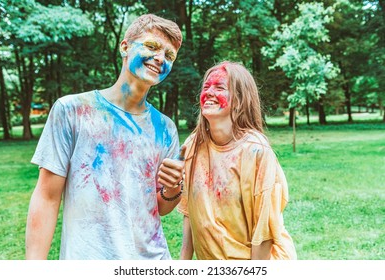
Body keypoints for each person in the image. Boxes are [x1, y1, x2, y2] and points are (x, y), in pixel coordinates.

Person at [26, 14, 184, 260]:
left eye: (169, 55)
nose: (160, 58)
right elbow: (47, 196)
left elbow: (161, 207)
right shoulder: (72, 110)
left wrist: (173, 188)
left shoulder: (166, 128)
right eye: (152, 46)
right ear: (125, 47)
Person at [158, 61, 297, 260]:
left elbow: (264, 232)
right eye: (206, 87)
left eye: (219, 87)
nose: (209, 92)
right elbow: (190, 213)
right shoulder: (192, 146)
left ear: (240, 100)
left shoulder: (256, 151)